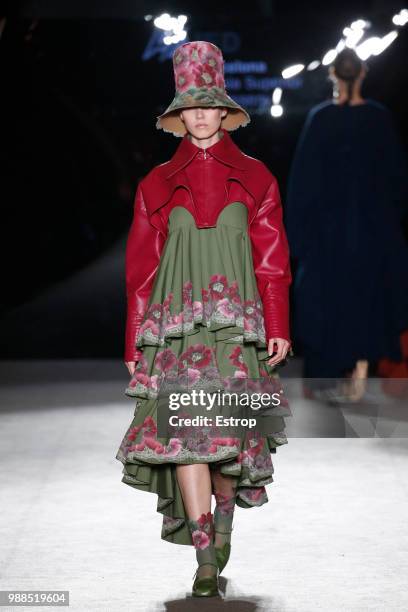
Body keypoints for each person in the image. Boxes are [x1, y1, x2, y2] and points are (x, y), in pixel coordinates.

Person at [115, 40, 293, 598]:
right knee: (188, 440)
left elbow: (273, 262)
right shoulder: (156, 185)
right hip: (176, 333)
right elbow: (140, 272)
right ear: (178, 112)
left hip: (239, 334)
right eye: (189, 102)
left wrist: (278, 324)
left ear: (223, 109)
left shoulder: (258, 179)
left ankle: (222, 527)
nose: (199, 111)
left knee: (228, 445)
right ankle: (203, 558)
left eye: (208, 101)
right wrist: (133, 342)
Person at [285, 48, 408, 401]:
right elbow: (397, 184)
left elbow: (302, 186)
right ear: (363, 73)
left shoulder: (321, 119)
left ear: (333, 75)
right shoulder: (378, 118)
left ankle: (332, 380)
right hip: (370, 235)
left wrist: (300, 242)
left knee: (328, 306)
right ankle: (358, 371)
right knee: (366, 302)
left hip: (328, 239)